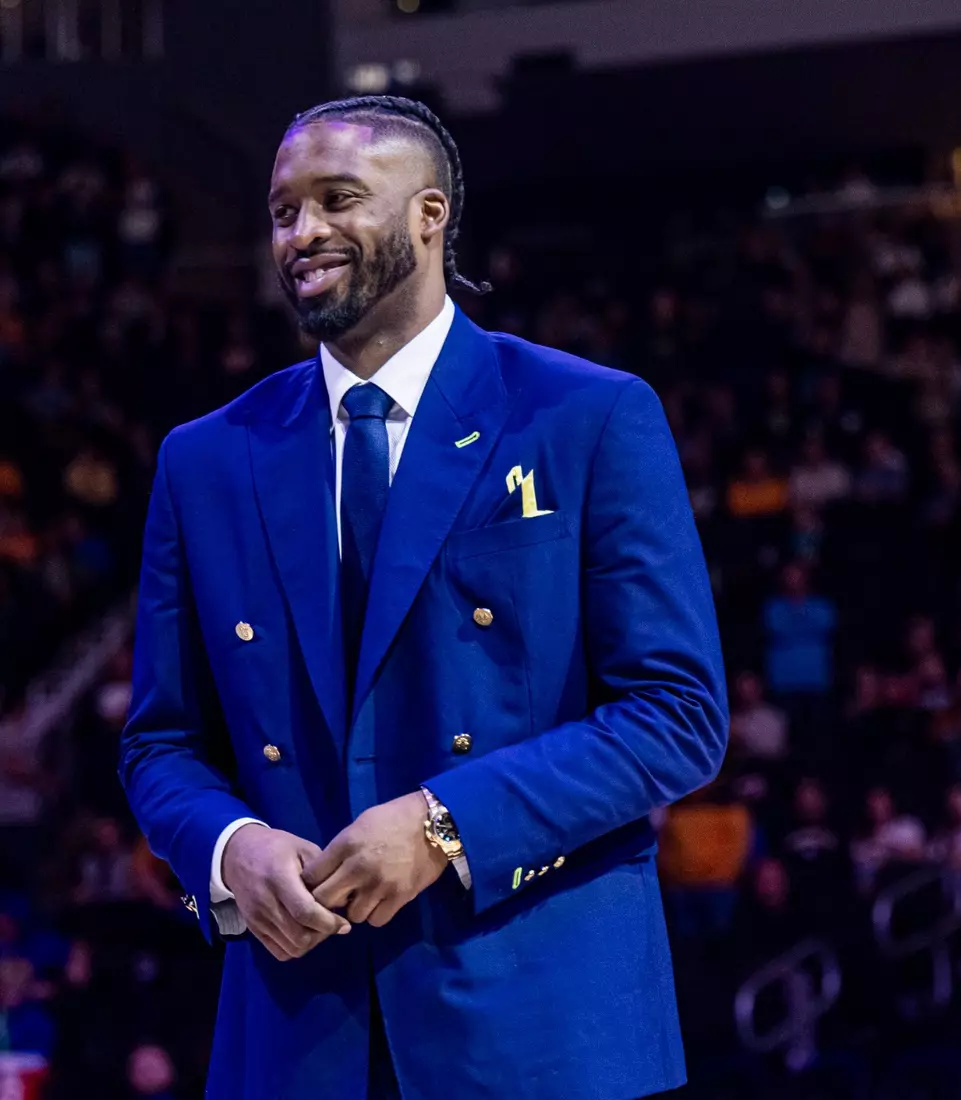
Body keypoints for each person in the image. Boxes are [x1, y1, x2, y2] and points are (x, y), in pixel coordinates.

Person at [119, 96, 728, 1100]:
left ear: (430, 214)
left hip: (539, 1028)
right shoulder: (206, 458)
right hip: (299, 1037)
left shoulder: (588, 414)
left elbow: (678, 714)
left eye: (336, 199)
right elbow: (161, 741)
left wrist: (447, 822)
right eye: (282, 210)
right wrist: (231, 846)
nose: (301, 231)